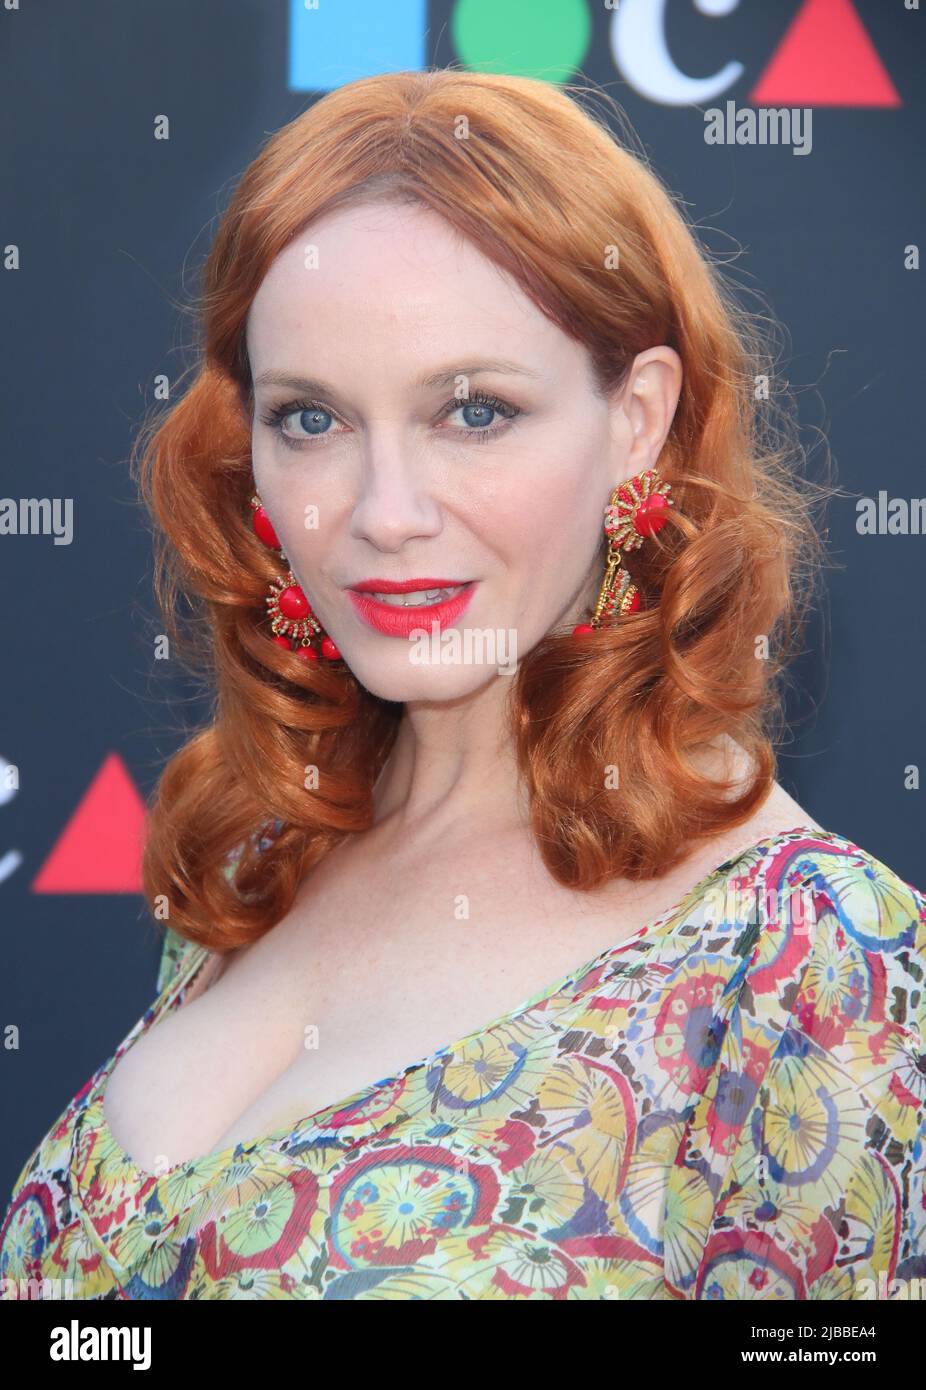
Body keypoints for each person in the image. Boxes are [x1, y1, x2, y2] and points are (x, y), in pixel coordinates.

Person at [1, 68, 923, 1303]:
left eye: (473, 411)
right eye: (311, 419)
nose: (382, 516)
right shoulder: (265, 848)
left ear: (636, 417)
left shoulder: (813, 957)